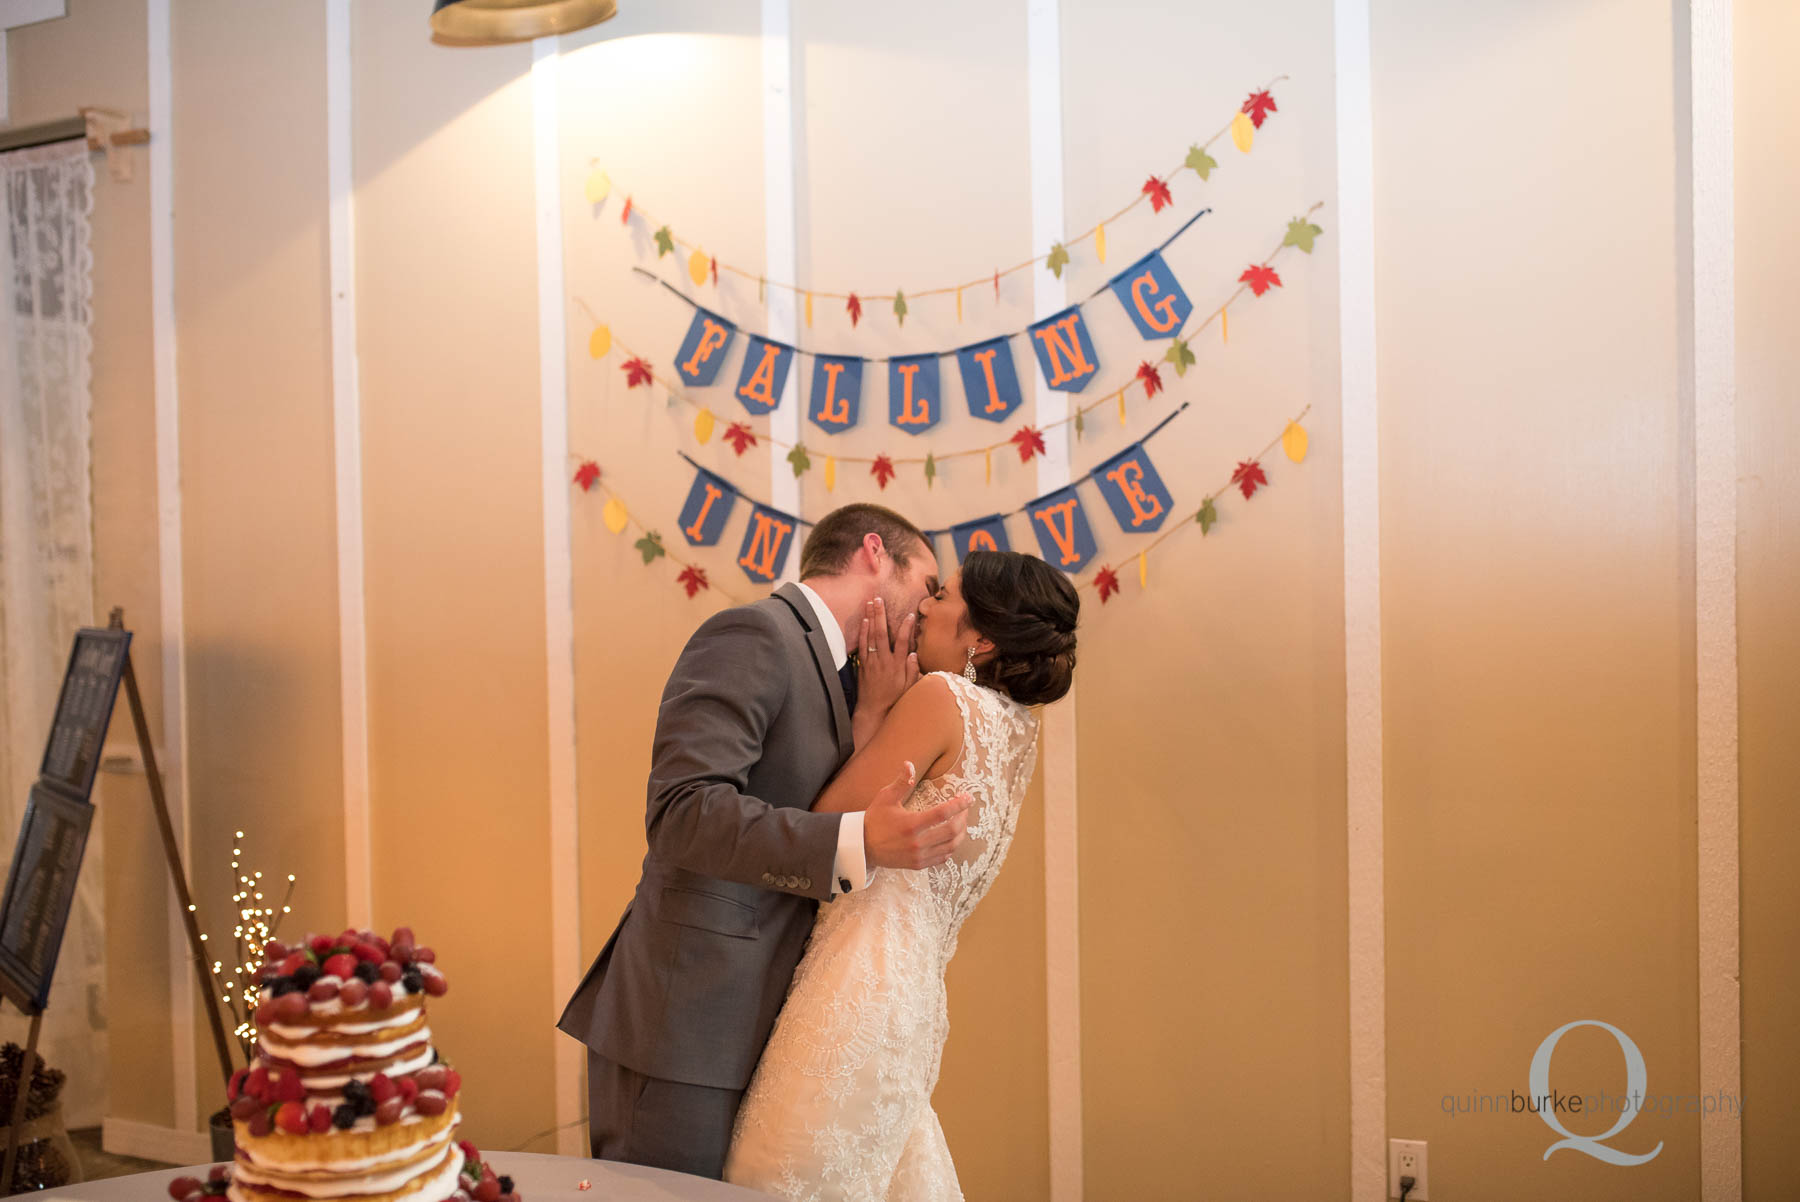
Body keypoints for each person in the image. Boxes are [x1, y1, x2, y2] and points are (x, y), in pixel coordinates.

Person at [556, 503, 973, 1180]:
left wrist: (869, 717)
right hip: (687, 1025)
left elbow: (797, 799)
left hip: (767, 1029)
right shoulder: (755, 633)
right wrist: (859, 838)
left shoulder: (857, 681)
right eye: (926, 583)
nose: (928, 608)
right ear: (874, 552)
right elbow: (684, 812)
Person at [724, 549, 1080, 1202]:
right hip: (915, 999)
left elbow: (826, 824)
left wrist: (872, 712)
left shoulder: (940, 698)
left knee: (778, 1179)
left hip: (855, 986)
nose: (925, 606)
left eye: (944, 595)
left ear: (985, 637)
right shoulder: (1017, 733)